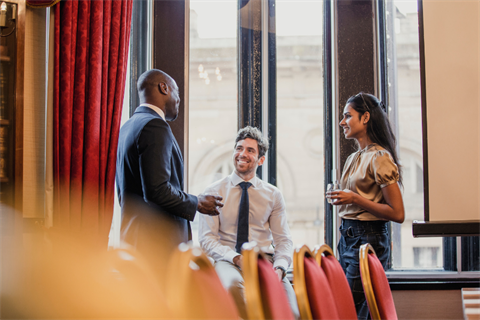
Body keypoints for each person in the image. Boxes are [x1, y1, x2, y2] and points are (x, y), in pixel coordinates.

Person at [115, 69, 222, 271]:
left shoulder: (128, 126)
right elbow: (157, 190)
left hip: (134, 241)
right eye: (177, 92)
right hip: (157, 246)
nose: (179, 100)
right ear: (163, 88)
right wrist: (197, 202)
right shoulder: (155, 126)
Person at [199, 126, 299, 320]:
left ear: (260, 160)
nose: (242, 154)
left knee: (291, 312)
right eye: (239, 148)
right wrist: (236, 258)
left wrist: (279, 268)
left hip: (265, 261)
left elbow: (283, 240)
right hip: (228, 261)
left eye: (250, 150)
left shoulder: (273, 195)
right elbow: (207, 239)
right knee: (235, 292)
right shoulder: (213, 192)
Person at [327, 92, 405, 320]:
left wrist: (355, 199)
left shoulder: (380, 157)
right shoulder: (354, 158)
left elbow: (398, 214)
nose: (342, 122)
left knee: (351, 312)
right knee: (348, 309)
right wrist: (342, 198)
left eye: (347, 116)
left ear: (365, 118)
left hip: (367, 238)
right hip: (348, 237)